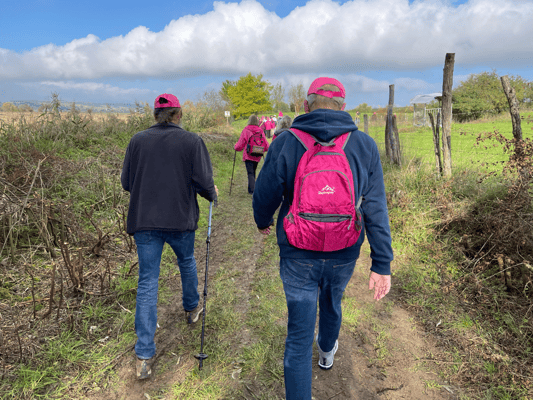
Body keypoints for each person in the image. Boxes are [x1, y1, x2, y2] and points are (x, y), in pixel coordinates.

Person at [252, 78, 393, 400]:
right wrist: (381, 263)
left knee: (298, 336)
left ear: (306, 105)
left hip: (297, 250)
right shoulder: (364, 145)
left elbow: (265, 192)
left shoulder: (286, 141)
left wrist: (263, 221)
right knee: (332, 300)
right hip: (345, 248)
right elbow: (375, 206)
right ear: (344, 106)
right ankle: (327, 351)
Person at [121, 93, 218, 380]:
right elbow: (204, 182)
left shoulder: (137, 141)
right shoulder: (192, 141)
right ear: (179, 114)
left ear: (155, 115)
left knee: (147, 281)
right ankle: (192, 308)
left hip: (144, 222)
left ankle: (144, 354)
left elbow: (127, 182)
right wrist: (211, 193)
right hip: (180, 220)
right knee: (186, 261)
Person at [234, 114, 269, 195]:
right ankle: (251, 188)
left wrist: (236, 147)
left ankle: (252, 190)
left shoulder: (246, 130)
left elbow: (240, 144)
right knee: (253, 171)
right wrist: (264, 149)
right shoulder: (260, 130)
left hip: (248, 154)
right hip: (258, 153)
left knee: (250, 173)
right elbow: (266, 145)